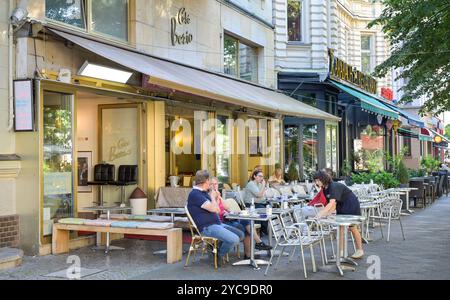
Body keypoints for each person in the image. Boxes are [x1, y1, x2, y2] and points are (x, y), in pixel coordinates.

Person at [187, 170, 245, 266]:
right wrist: (213, 197)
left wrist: (216, 198)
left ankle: (215, 248)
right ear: (205, 181)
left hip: (217, 224)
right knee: (234, 239)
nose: (210, 184)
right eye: (209, 181)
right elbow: (215, 209)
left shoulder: (204, 192)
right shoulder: (195, 194)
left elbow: (218, 209)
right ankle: (218, 255)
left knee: (241, 235)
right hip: (207, 228)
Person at [209, 177, 272, 258]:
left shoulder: (218, 196)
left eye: (216, 184)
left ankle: (252, 251)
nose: (214, 186)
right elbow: (215, 211)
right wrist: (215, 199)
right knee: (246, 227)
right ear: (208, 185)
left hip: (228, 219)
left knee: (246, 223)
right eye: (212, 184)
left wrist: (219, 198)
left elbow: (227, 208)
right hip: (221, 222)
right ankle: (256, 246)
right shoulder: (209, 197)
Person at [313, 170, 364, 259]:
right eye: (315, 180)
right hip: (341, 205)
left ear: (323, 179)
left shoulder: (333, 186)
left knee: (352, 227)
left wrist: (320, 214)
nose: (316, 182)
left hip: (350, 204)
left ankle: (360, 250)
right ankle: (341, 252)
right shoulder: (325, 189)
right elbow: (334, 204)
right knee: (340, 228)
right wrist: (327, 213)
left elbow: (332, 203)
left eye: (318, 180)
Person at [244, 170, 269, 234]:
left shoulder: (259, 184)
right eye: (260, 176)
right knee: (265, 210)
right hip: (250, 205)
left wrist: (263, 188)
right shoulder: (251, 184)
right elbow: (259, 195)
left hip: (259, 203)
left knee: (269, 207)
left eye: (262, 177)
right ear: (254, 176)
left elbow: (263, 195)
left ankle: (265, 229)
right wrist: (264, 185)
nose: (261, 178)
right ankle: (263, 230)